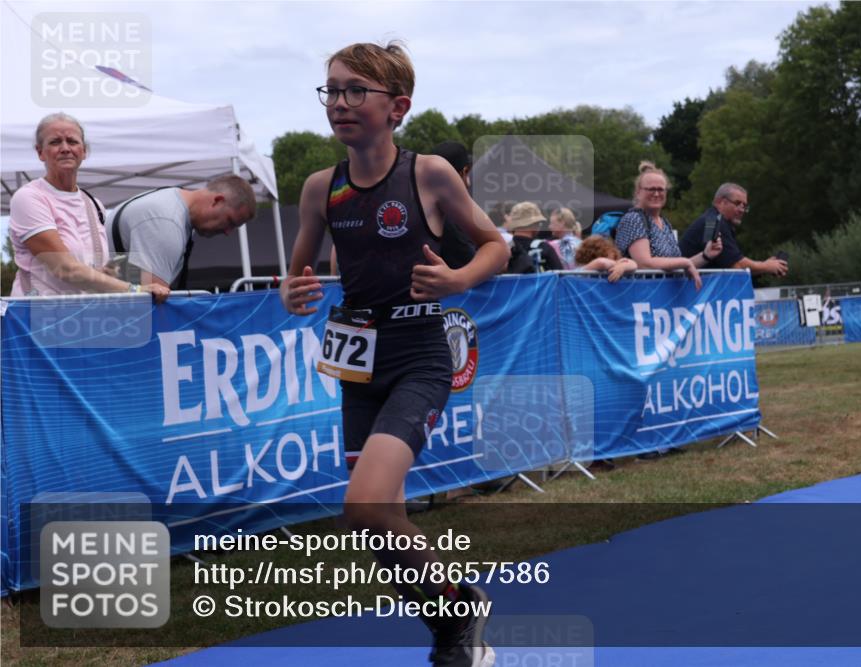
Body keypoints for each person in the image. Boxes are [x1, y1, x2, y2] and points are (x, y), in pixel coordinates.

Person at [279, 41, 508, 667]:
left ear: (397, 106)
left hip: (418, 356)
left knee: (364, 503)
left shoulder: (427, 172)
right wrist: (292, 289)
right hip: (357, 363)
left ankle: (460, 612)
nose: (340, 103)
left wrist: (458, 281)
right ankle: (450, 625)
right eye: (331, 89)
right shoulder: (320, 188)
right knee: (375, 523)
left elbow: (496, 246)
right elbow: (297, 269)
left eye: (357, 91)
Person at [8, 113, 168, 302]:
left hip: (82, 315)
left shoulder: (93, 204)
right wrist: (135, 289)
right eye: (55, 142)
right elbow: (65, 269)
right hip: (37, 317)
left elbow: (85, 270)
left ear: (83, 151)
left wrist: (106, 273)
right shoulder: (29, 197)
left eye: (72, 141)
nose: (65, 148)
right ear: (40, 152)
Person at [106, 175, 257, 289]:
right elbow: (153, 300)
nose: (227, 232)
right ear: (217, 201)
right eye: (230, 221)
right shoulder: (166, 221)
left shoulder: (172, 203)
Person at [615, 161, 721, 290]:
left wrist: (705, 255)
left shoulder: (665, 223)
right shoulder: (633, 219)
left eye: (660, 189)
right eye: (651, 189)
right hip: (639, 298)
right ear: (638, 192)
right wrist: (684, 262)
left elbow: (675, 265)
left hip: (662, 300)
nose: (656, 193)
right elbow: (644, 264)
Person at [678, 183, 788, 277]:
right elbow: (737, 265)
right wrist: (766, 266)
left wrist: (765, 265)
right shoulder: (715, 223)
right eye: (737, 203)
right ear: (721, 202)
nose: (742, 210)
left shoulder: (712, 219)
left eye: (744, 206)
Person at [429, 141, 477, 269]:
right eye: (468, 174)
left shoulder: (416, 204)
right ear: (463, 172)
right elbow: (471, 263)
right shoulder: (446, 217)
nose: (468, 184)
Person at [504, 201, 564, 273]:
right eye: (539, 224)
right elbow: (561, 277)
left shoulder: (504, 249)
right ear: (535, 225)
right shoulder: (545, 249)